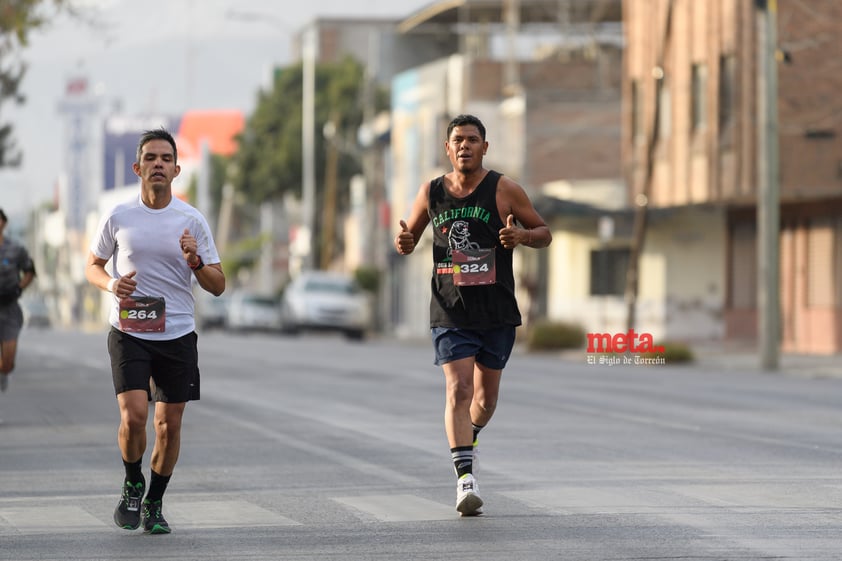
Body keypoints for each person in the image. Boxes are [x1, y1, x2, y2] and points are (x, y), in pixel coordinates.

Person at [394, 114, 552, 516]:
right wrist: (405, 240)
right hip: (450, 309)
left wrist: (522, 237)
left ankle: (471, 437)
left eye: (472, 140)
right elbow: (408, 239)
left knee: (485, 398)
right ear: (447, 149)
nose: (465, 146)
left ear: (485, 147)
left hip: (496, 310)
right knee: (458, 390)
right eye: (457, 140)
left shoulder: (504, 190)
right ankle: (465, 478)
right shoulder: (431, 192)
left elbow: (544, 233)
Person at [85, 128, 225, 534]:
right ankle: (133, 479)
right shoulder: (118, 216)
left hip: (177, 334)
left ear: (177, 169)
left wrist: (196, 261)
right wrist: (112, 284)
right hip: (129, 330)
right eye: (151, 158)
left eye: (166, 158)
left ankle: (154, 503)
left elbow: (218, 285)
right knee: (134, 417)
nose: (158, 164)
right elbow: (92, 265)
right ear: (138, 167)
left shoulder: (191, 221)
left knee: (169, 425)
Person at [0, 208, 37, 393]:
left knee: (7, 362)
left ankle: (3, 373)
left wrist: (19, 287)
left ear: (4, 223)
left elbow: (30, 271)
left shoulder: (16, 249)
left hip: (9, 308)